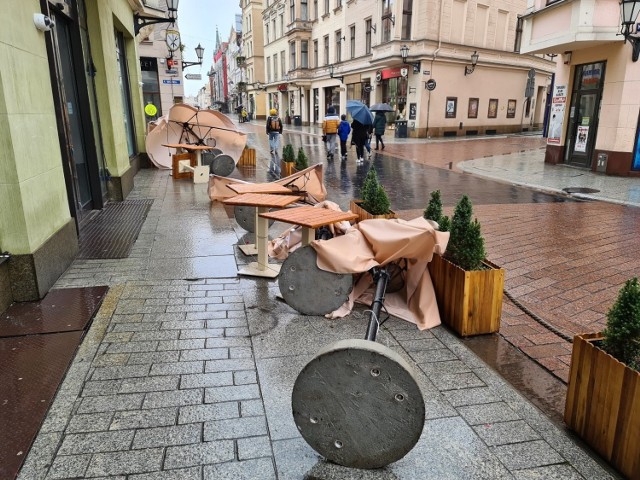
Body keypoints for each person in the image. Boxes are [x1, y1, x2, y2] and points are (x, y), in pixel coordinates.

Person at [266, 108, 283, 177]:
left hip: (271, 131)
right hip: (277, 131)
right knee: (276, 140)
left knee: (270, 140)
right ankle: (275, 148)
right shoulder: (278, 118)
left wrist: (267, 131)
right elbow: (281, 125)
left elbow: (267, 125)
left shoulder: (269, 118)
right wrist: (280, 131)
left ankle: (272, 148)